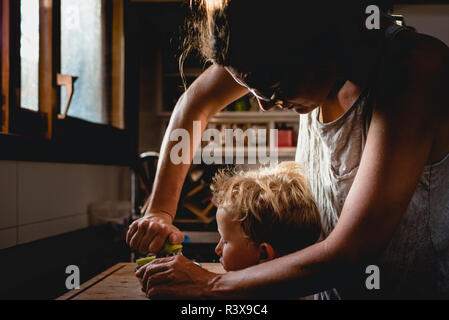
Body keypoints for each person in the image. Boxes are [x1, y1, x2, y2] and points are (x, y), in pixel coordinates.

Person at [127, 0, 449, 299]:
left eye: (274, 87)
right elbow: (193, 104)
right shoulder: (272, 54)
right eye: (254, 91)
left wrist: (209, 285)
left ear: (319, 39)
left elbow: (353, 251)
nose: (266, 106)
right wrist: (160, 210)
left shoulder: (412, 68)